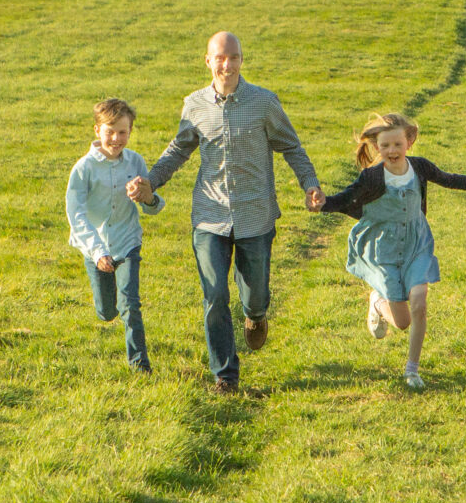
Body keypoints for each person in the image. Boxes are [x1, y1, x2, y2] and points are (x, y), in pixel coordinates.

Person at [127, 31, 323, 394]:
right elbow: (177, 150)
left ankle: (256, 315)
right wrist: (151, 182)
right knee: (214, 294)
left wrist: (309, 183)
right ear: (207, 61)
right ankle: (225, 376)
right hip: (208, 215)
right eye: (220, 57)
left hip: (256, 215)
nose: (226, 64)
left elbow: (292, 147)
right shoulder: (194, 104)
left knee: (255, 295)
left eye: (233, 57)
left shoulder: (264, 103)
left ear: (241, 60)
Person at [313, 113, 466, 389]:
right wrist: (322, 203)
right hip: (383, 249)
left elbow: (448, 179)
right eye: (385, 146)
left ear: (408, 142)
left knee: (420, 303)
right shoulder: (372, 177)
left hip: (416, 244)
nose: (392, 151)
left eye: (397, 144)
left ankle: (412, 370)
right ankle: (377, 302)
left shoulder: (419, 167)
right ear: (377, 148)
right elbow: (346, 198)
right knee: (402, 321)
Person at [66, 98, 164, 373]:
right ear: (97, 130)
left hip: (127, 242)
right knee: (108, 311)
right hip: (96, 247)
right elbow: (77, 216)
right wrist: (98, 252)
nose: (116, 138)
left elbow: (152, 206)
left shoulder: (135, 162)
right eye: (110, 131)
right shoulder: (83, 169)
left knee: (130, 303)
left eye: (123, 132)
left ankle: (140, 366)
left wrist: (147, 197)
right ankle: (106, 307)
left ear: (130, 132)